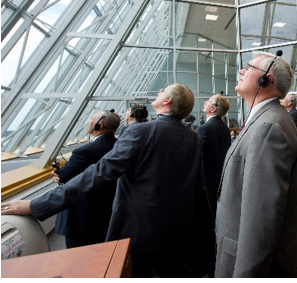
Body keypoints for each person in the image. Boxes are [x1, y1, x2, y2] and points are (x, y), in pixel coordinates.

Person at [2, 84, 206, 277]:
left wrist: (36, 205)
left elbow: (97, 174)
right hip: (177, 229)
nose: (159, 92)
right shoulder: (193, 137)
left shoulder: (140, 131)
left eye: (163, 92)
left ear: (167, 101)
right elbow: (197, 184)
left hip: (138, 233)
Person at [215, 52, 297, 277]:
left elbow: (260, 224)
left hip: (249, 265)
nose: (241, 71)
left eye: (248, 67)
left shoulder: (269, 127)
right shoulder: (264, 120)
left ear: (267, 79)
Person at [52, 110, 120, 249]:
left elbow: (63, 176)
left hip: (82, 216)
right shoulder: (121, 147)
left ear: (98, 126)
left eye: (91, 121)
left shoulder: (83, 152)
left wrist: (59, 174)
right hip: (111, 211)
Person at [198, 94, 231, 209]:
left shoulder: (204, 128)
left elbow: (198, 156)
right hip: (221, 178)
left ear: (213, 109)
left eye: (208, 101)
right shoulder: (225, 128)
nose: (205, 103)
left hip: (206, 181)